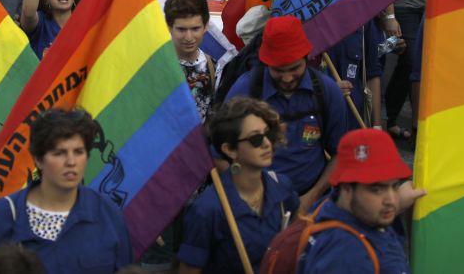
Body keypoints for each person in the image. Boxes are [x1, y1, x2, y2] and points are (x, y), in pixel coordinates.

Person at [0, 108, 133, 274]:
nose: (71, 162)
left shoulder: (108, 215)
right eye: (59, 153)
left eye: (79, 152)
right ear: (38, 160)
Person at [226, 17, 347, 208]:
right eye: (278, 70)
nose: (288, 77)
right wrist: (246, 197)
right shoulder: (244, 90)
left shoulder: (327, 90)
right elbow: (220, 154)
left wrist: (310, 199)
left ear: (307, 58)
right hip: (256, 205)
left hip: (311, 202)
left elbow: (340, 154)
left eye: (294, 68)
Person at [179, 98, 298, 274]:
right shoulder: (208, 209)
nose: (267, 143)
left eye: (269, 134)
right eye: (256, 139)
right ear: (230, 150)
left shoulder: (283, 188)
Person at [296, 129, 424, 274]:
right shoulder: (347, 256)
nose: (392, 200)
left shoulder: (360, 216)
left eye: (394, 186)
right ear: (346, 188)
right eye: (376, 189)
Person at [163, 0, 215, 123]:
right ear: (169, 27)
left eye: (195, 29)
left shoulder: (215, 68)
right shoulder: (155, 66)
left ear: (205, 26)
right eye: (181, 29)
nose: (189, 37)